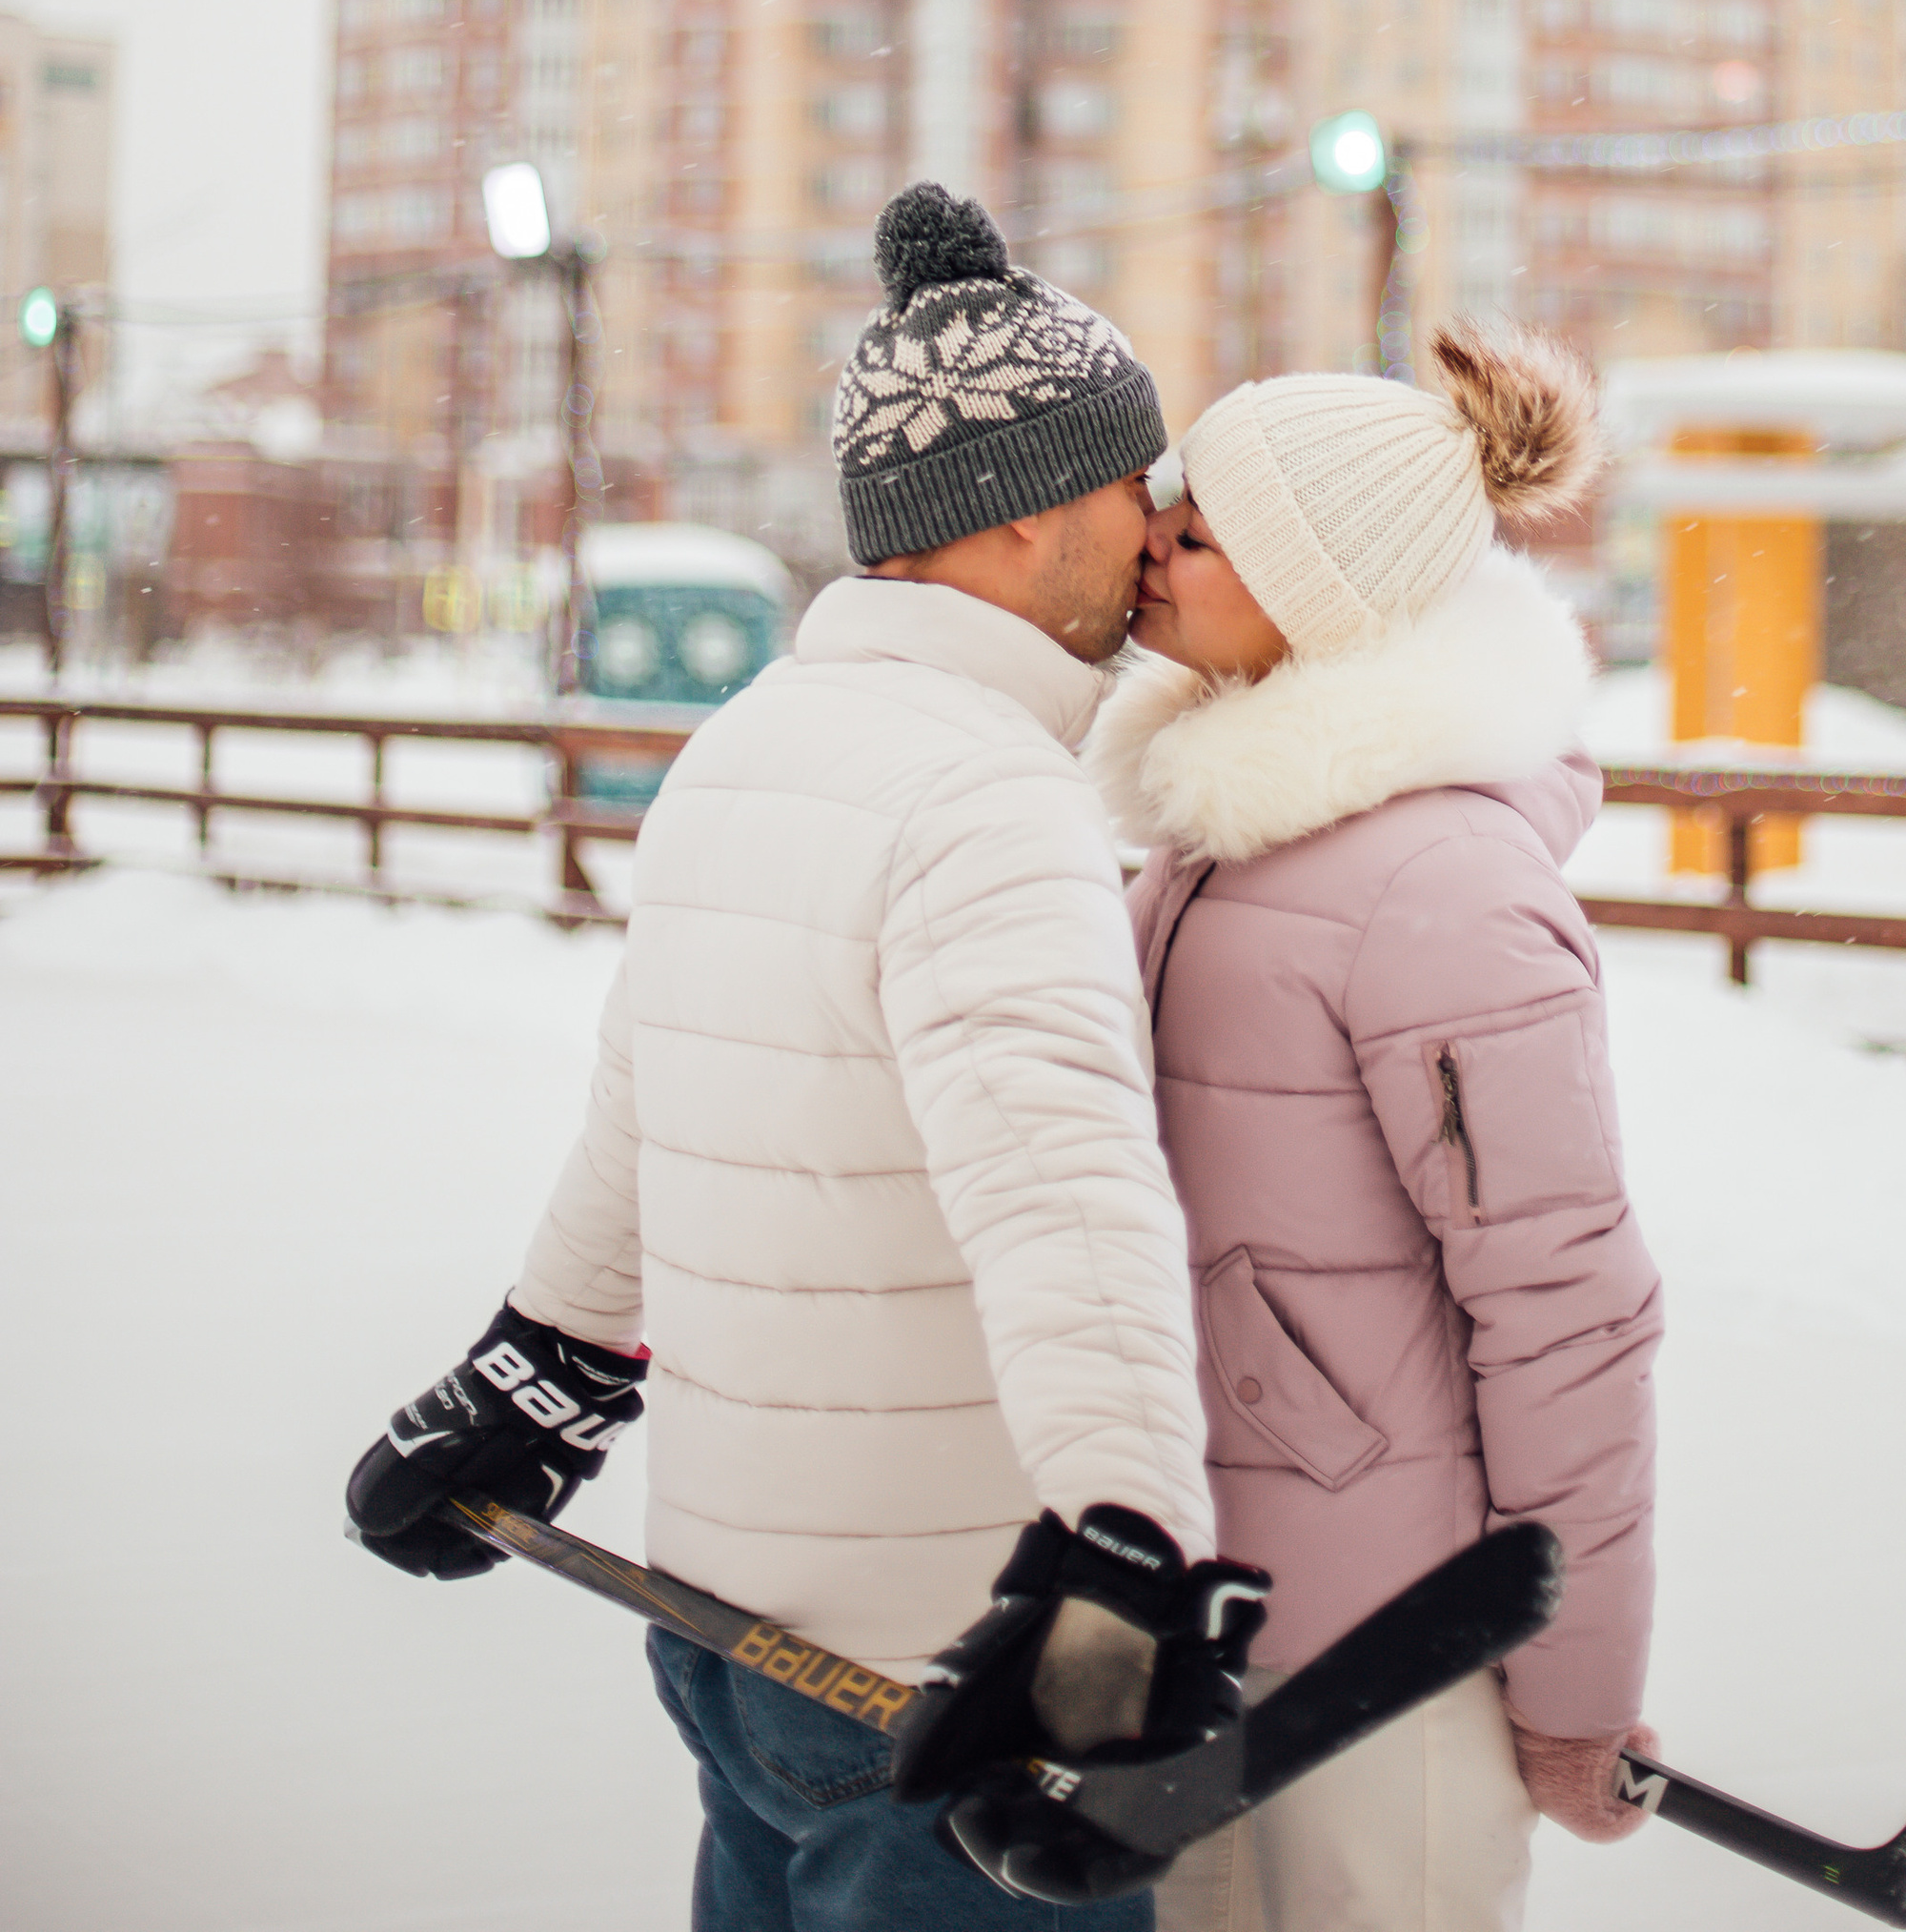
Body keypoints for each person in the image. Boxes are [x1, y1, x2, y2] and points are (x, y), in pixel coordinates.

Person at [346, 184, 1262, 1932]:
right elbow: (1066, 1210)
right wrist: (1124, 1559)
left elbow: (642, 1121)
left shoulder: (750, 748)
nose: (1153, 529)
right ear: (1019, 510)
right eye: (1128, 482)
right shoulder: (985, 802)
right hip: (941, 1683)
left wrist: (536, 1366)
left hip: (731, 1640)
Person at [1097, 324, 1665, 1932]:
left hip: (1388, 1656)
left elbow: (1565, 1313)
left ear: (1322, 597)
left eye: (1202, 535)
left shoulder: (1444, 892)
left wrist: (1575, 1694)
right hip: (1191, 1616)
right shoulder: (1209, 838)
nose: (1152, 546)